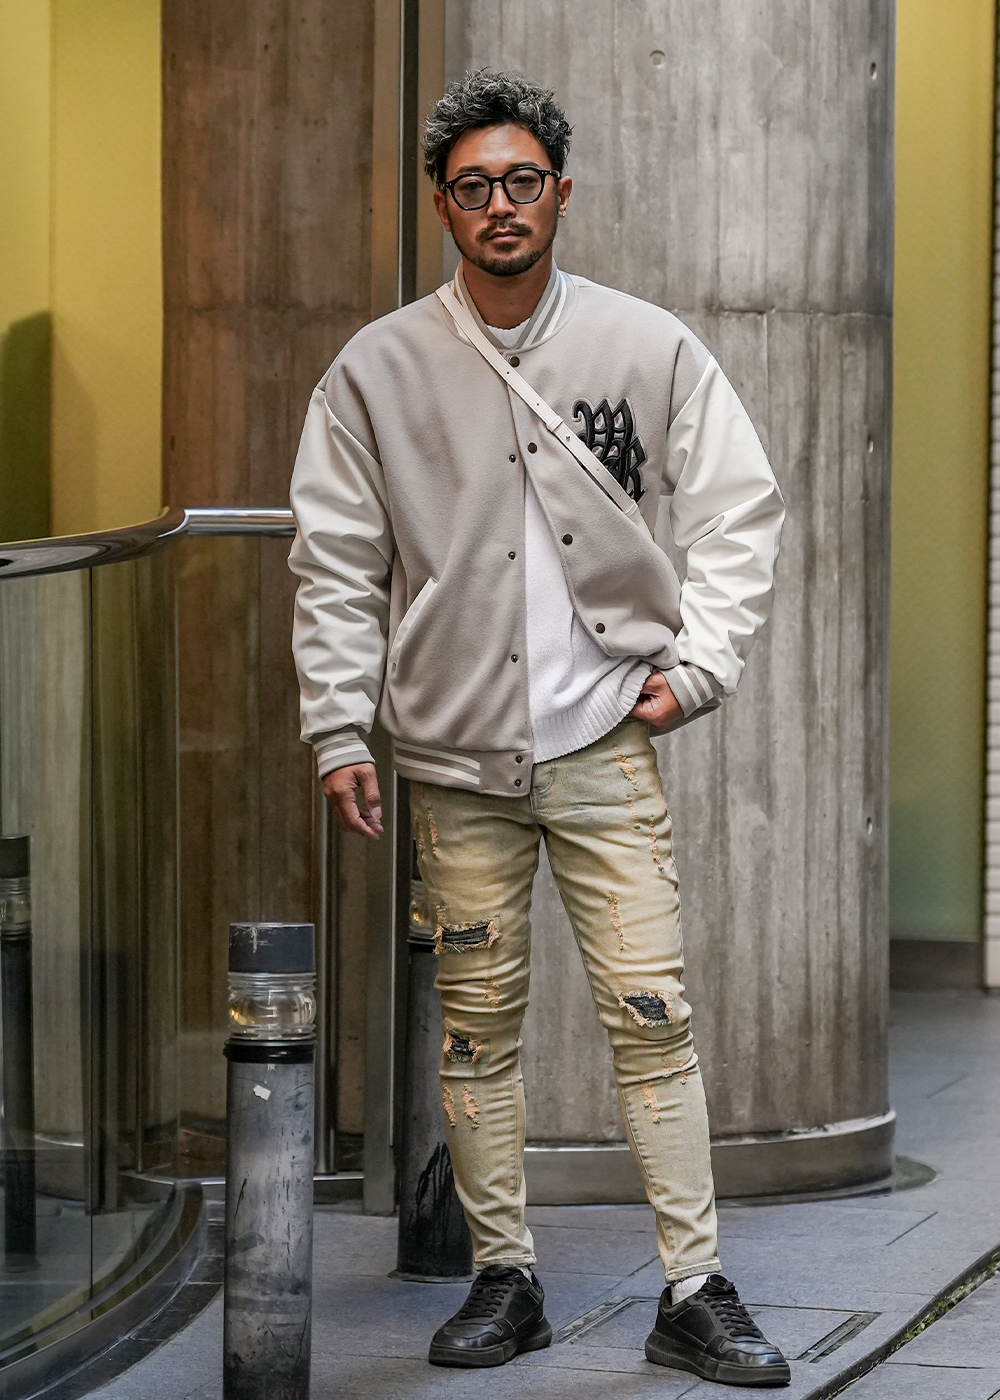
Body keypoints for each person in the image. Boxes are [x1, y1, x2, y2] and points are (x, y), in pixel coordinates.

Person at [289, 68, 789, 1388]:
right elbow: (335, 561)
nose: (500, 205)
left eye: (522, 181)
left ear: (562, 193)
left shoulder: (645, 343)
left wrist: (700, 667)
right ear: (441, 206)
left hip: (603, 738)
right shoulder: (377, 368)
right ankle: (502, 1278)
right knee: (475, 1027)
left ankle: (695, 1288)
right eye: (474, 187)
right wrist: (339, 727)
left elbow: (739, 506)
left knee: (652, 1012)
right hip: (454, 756)